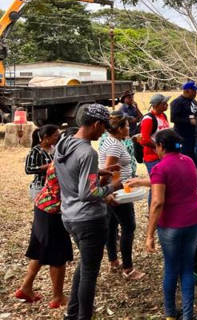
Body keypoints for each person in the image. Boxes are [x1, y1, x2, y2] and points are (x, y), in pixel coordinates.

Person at [129, 129, 197, 320]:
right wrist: (140, 181)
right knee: (187, 268)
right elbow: (170, 180)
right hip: (194, 220)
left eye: (156, 146)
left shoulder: (160, 167)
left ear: (161, 146)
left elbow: (157, 202)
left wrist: (149, 234)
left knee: (171, 268)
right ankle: (188, 315)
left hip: (172, 225)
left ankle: (170, 313)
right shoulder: (187, 161)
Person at [55, 104, 121, 320]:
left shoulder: (64, 143)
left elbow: (71, 172)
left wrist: (96, 171)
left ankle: (72, 314)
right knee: (89, 275)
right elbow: (88, 192)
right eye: (103, 128)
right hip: (89, 219)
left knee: (85, 266)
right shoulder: (88, 152)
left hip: (69, 215)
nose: (104, 132)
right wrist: (113, 187)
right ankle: (84, 316)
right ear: (96, 124)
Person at [15, 125, 70, 309]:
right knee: (58, 254)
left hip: (43, 206)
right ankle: (57, 297)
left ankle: (26, 287)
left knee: (40, 248)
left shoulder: (59, 157)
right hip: (52, 210)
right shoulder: (63, 162)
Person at [98, 111, 144, 280]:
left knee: (111, 226)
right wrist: (108, 190)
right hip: (118, 192)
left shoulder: (113, 140)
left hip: (116, 189)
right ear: (118, 128)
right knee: (128, 227)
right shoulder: (115, 145)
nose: (129, 128)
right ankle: (128, 268)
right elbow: (107, 170)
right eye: (126, 125)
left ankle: (113, 261)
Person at [25, 124, 60, 200]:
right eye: (55, 136)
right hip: (40, 188)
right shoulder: (36, 151)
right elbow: (28, 169)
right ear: (46, 136)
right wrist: (49, 166)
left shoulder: (55, 149)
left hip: (54, 187)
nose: (57, 138)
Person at [139, 93, 171, 175]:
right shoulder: (148, 119)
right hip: (153, 158)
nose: (166, 105)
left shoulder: (163, 115)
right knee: (156, 183)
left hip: (164, 156)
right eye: (163, 103)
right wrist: (159, 148)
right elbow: (144, 140)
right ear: (157, 105)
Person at [170, 81, 197, 160]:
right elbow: (173, 118)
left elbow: (195, 113)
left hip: (194, 135)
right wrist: (189, 121)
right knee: (181, 155)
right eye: (194, 91)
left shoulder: (193, 101)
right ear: (187, 91)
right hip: (181, 137)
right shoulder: (177, 102)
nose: (195, 93)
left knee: (193, 157)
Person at [118, 90, 143, 163]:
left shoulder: (133, 107)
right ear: (124, 99)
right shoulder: (123, 109)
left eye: (132, 97)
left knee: (133, 152)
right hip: (126, 134)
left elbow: (141, 117)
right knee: (127, 152)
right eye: (129, 97)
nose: (131, 99)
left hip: (133, 132)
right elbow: (131, 120)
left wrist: (137, 107)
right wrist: (136, 118)